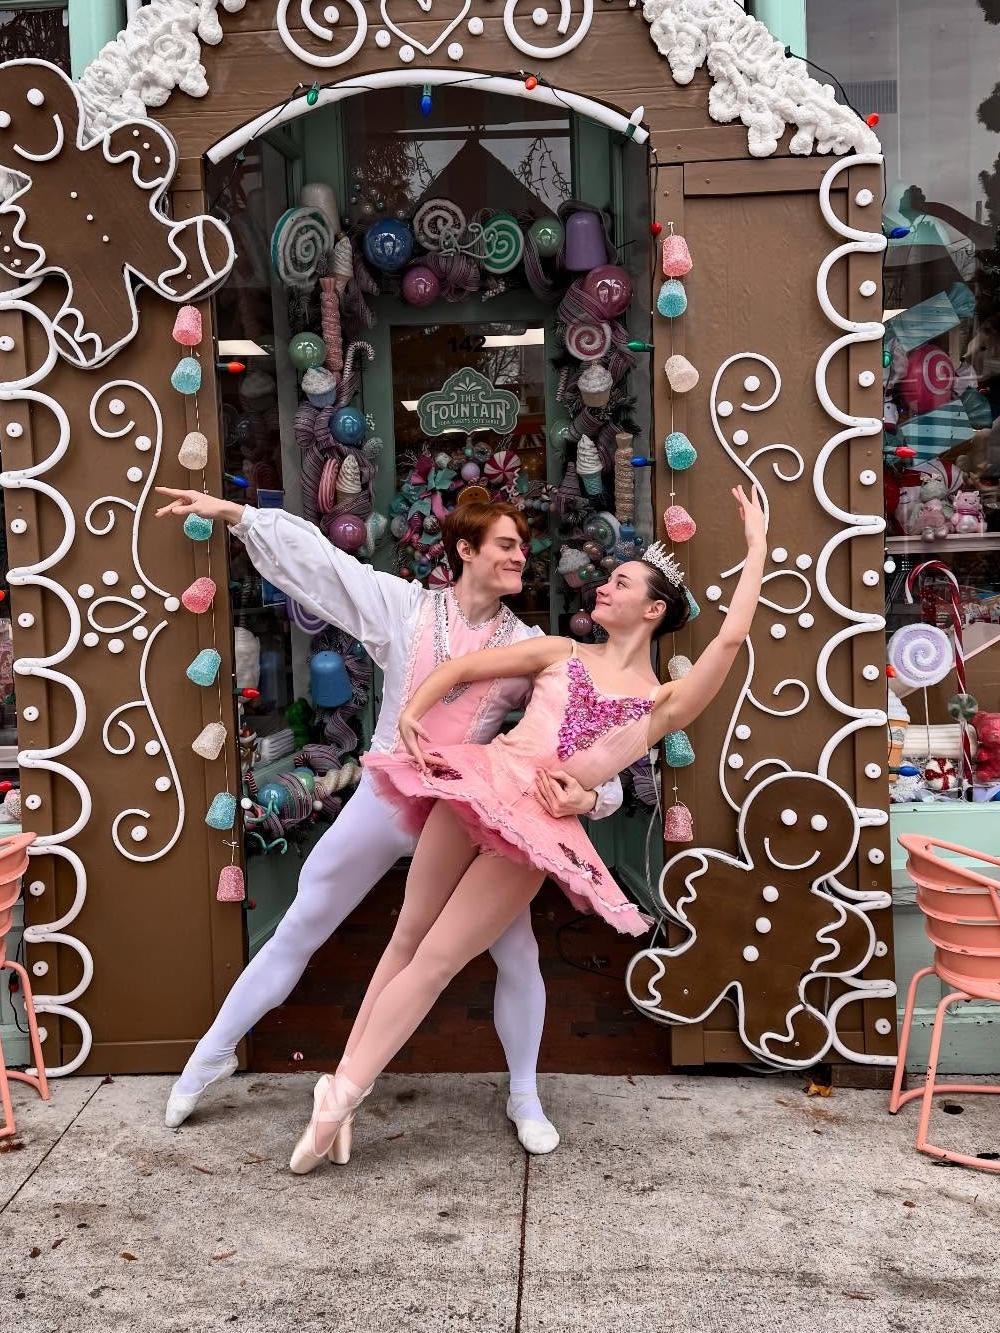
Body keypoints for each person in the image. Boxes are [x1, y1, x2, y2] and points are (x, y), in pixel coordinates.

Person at [288, 483, 769, 1173]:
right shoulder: (558, 651)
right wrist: (411, 716)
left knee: (437, 960)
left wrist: (757, 548)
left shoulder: (662, 701)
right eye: (607, 579)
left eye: (621, 583)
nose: (604, 586)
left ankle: (338, 1099)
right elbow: (463, 667)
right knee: (406, 940)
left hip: (537, 829)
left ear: (653, 610)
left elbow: (730, 639)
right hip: (479, 786)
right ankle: (342, 1090)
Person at [152, 484, 624, 1153]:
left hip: (470, 813)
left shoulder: (531, 645)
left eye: (523, 545)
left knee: (518, 952)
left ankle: (524, 1094)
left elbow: (580, 734)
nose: (521, 556)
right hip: (389, 793)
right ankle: (210, 1055)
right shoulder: (407, 607)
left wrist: (596, 798)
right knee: (303, 922)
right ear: (466, 550)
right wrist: (240, 516)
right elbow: (326, 567)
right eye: (506, 544)